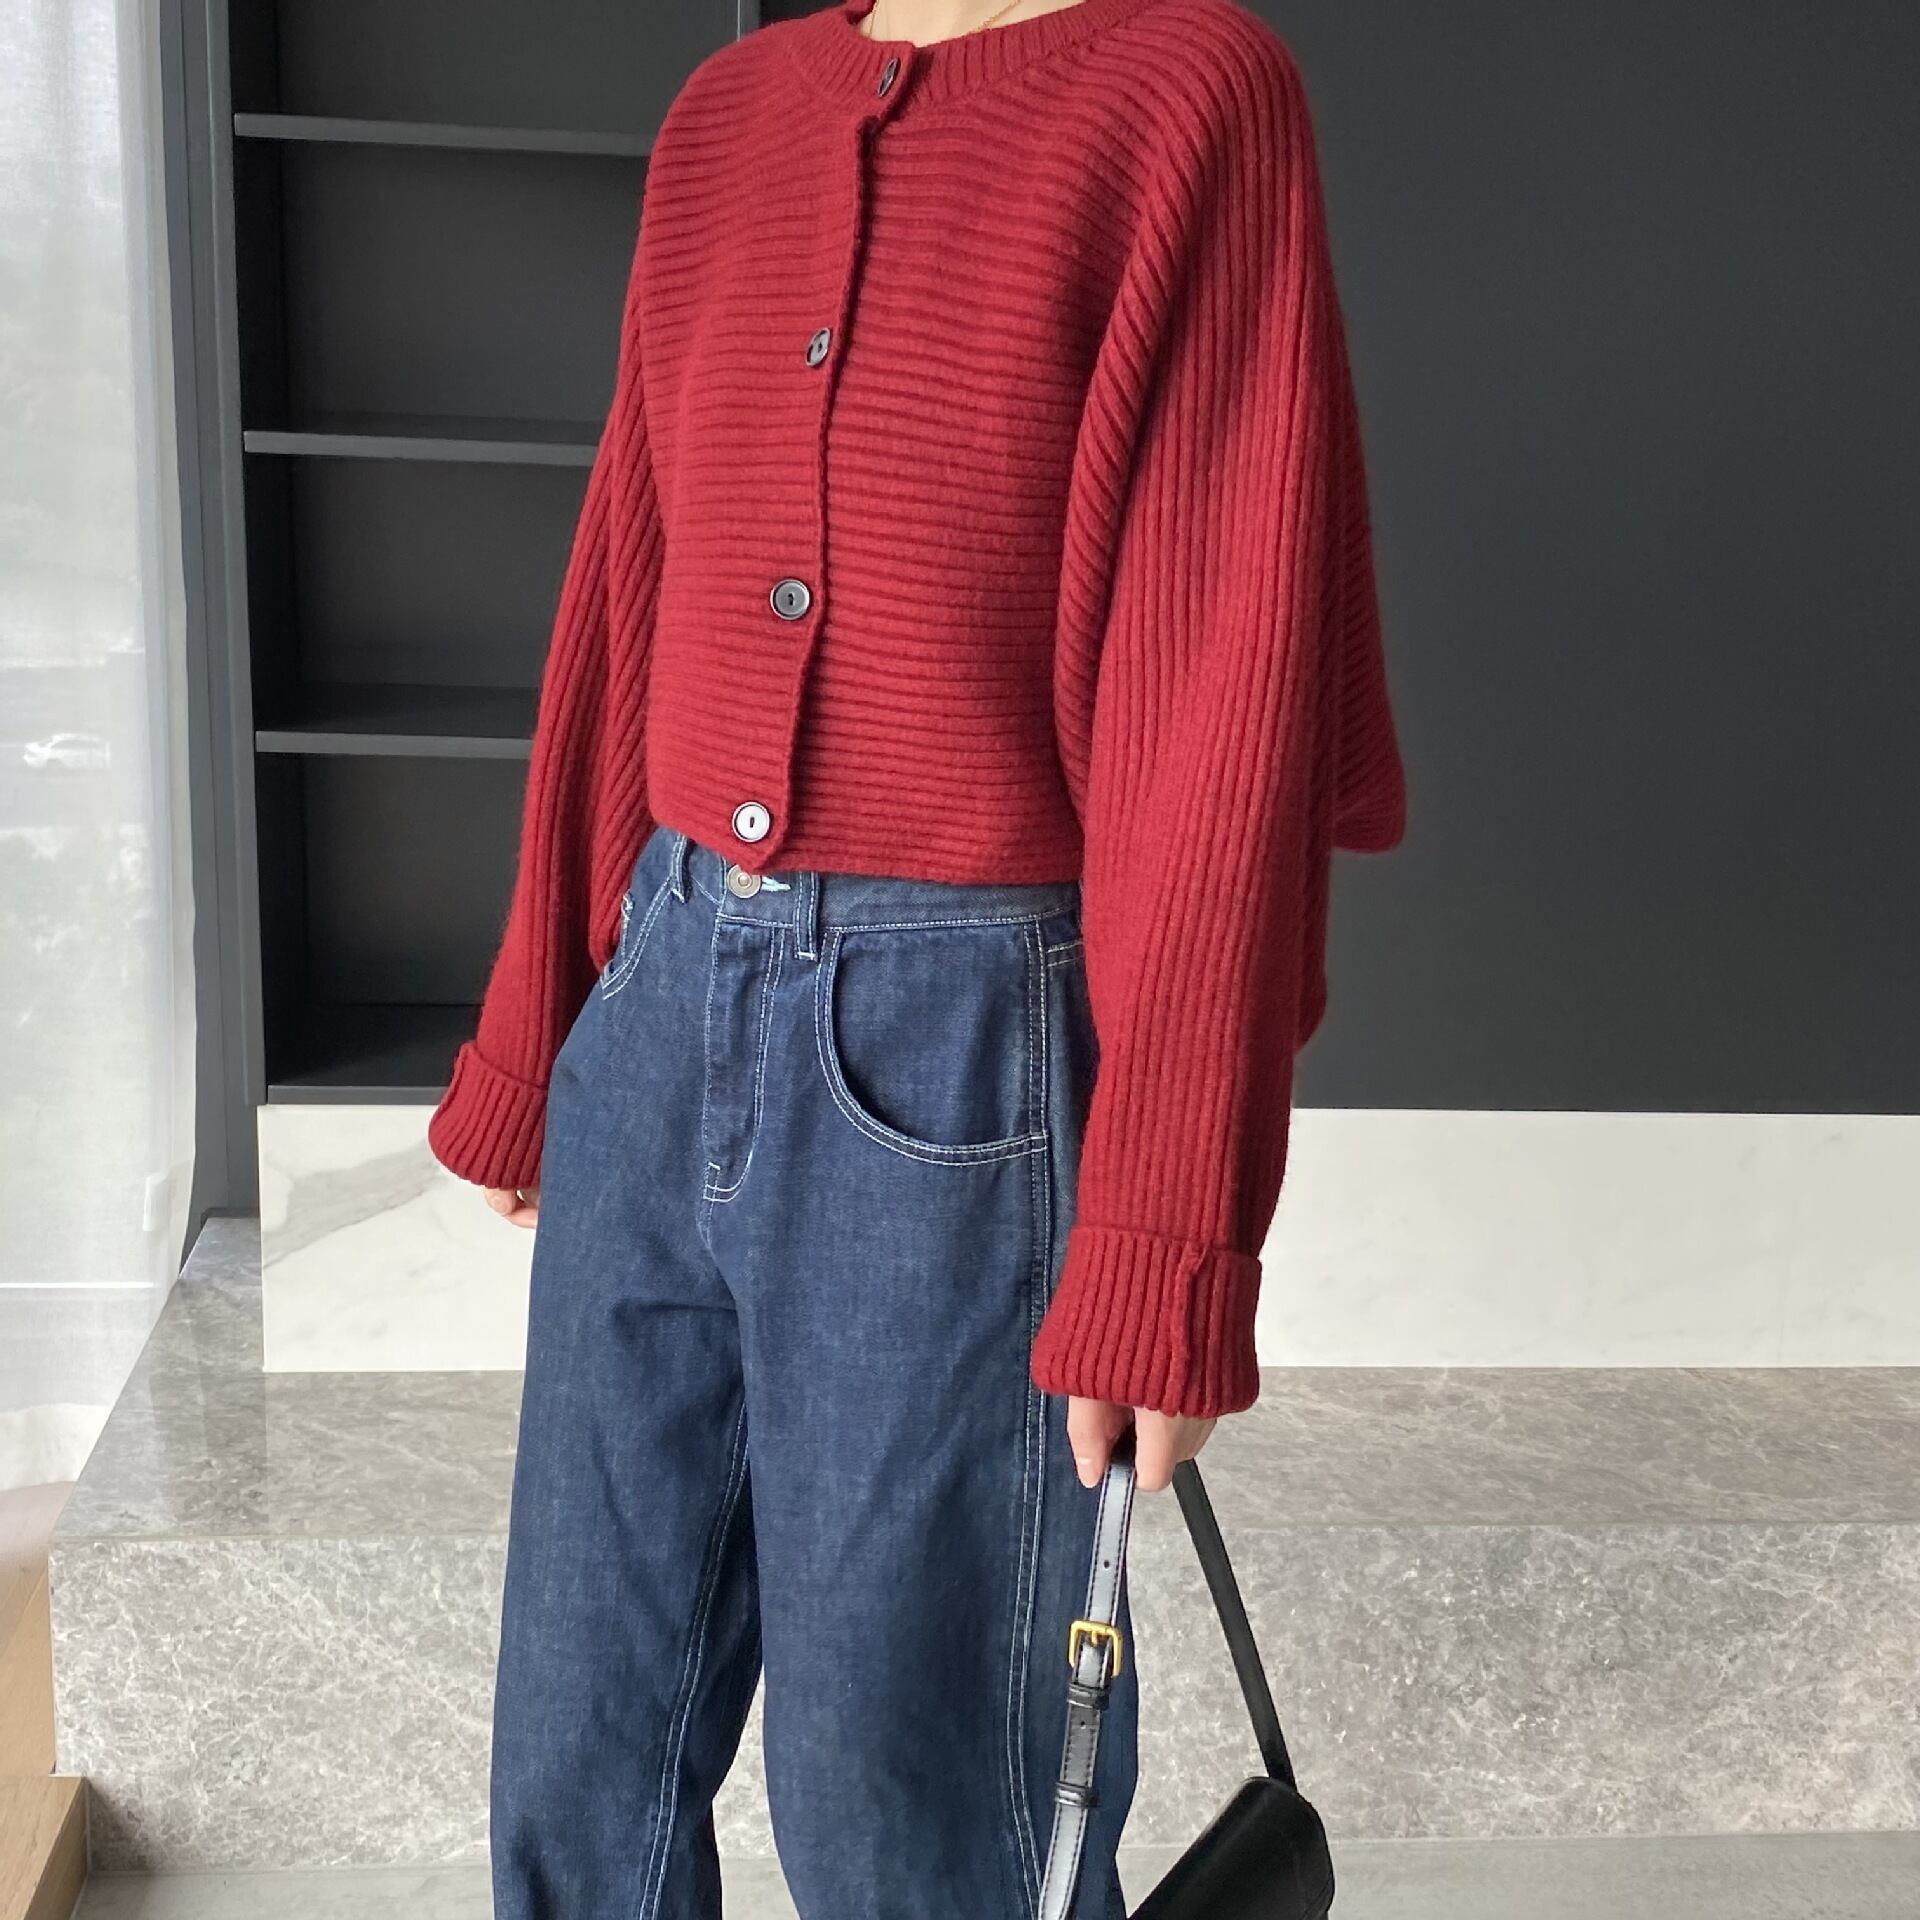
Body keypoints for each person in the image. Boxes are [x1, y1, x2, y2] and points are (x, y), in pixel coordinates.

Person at [425, 0, 1405, 1914]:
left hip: (956, 1052)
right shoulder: (724, 118)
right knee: (577, 1755)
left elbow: (1217, 706)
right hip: (666, 984)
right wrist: (545, 1028)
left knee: (916, 1802)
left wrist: (1170, 1236)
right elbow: (632, 572)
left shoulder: (1188, 96)